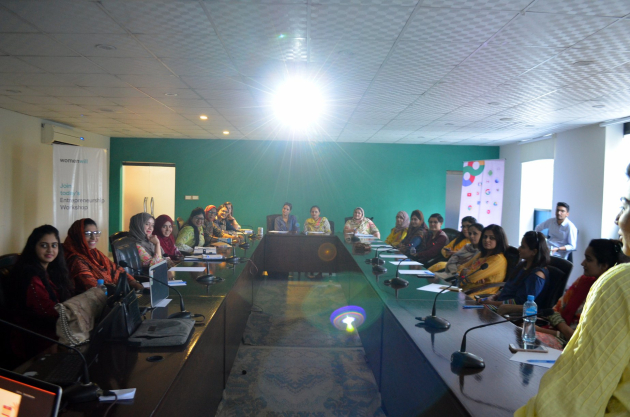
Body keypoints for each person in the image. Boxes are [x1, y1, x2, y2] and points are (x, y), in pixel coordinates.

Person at [515, 163, 630, 417]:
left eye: (624, 207)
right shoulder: (583, 282)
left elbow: (578, 396)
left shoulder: (619, 283)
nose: (617, 219)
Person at [532, 239, 623, 348]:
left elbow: (581, 340)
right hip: (558, 334)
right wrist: (561, 329)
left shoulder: (609, 296)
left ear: (604, 265)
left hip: (575, 347)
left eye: (588, 260)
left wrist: (556, 328)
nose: (582, 263)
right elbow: (555, 311)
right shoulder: (583, 282)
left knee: (528, 340)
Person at [6, 225, 74, 357]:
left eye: (54, 245)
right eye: (44, 245)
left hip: (53, 328)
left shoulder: (52, 270)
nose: (50, 250)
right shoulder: (30, 275)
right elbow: (46, 311)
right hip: (35, 337)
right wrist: (75, 313)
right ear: (33, 246)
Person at [64, 218, 143, 293]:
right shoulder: (75, 260)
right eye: (87, 234)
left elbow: (116, 269)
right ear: (77, 235)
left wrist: (134, 283)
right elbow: (92, 287)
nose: (93, 237)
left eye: (96, 233)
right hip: (93, 300)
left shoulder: (94, 252)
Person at [478, 231, 549, 307]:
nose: (519, 249)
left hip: (508, 310)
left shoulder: (537, 275)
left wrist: (492, 303)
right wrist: (493, 297)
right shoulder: (522, 265)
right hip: (499, 304)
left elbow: (521, 302)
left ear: (534, 252)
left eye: (523, 247)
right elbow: (508, 286)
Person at [457, 224, 508, 296]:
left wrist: (466, 273)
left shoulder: (498, 259)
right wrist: (465, 272)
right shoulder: (481, 254)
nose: (487, 240)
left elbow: (472, 277)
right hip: (464, 289)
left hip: (479, 295)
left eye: (492, 238)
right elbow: (460, 268)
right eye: (485, 237)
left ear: (499, 240)